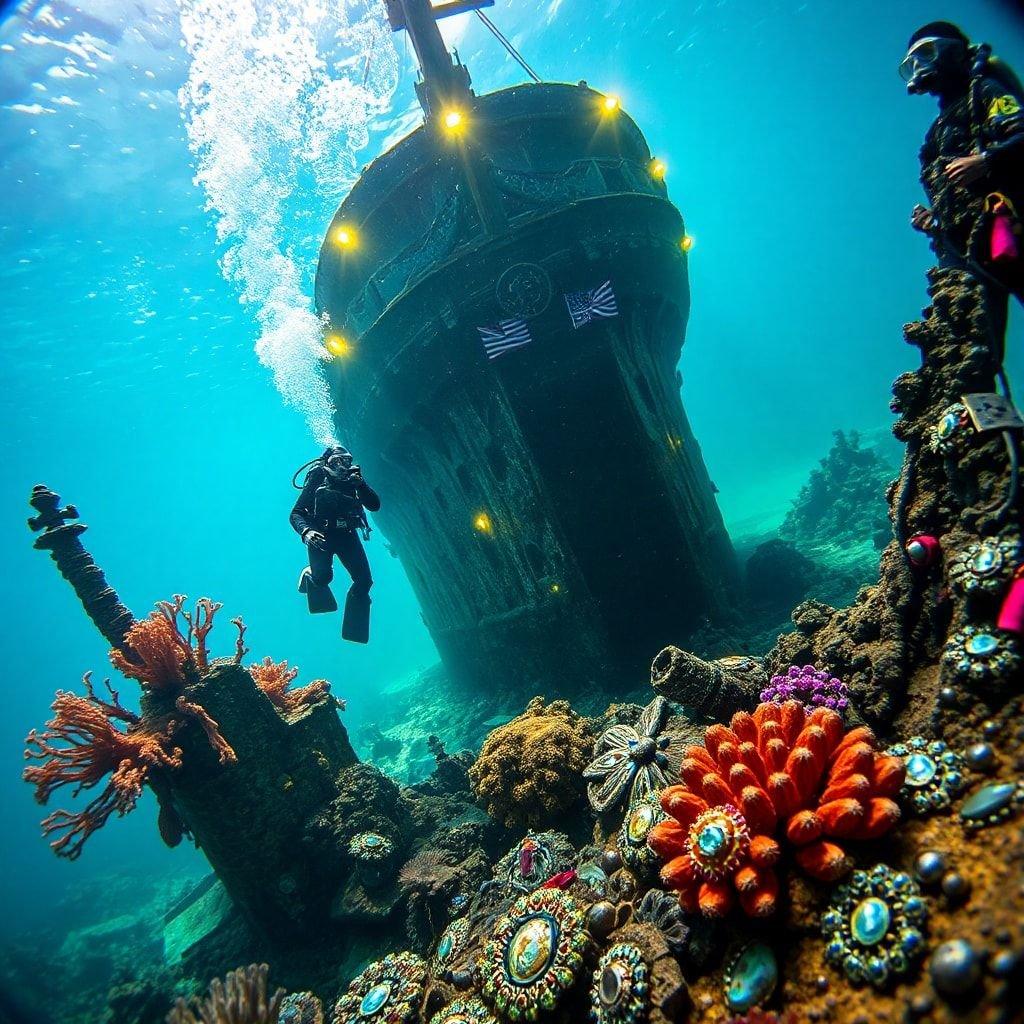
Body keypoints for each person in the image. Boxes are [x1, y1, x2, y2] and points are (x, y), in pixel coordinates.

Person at [902, 21, 1024, 359]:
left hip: (1005, 227)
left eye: (925, 54)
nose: (918, 68)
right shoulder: (935, 134)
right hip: (961, 246)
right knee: (968, 343)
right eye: (910, 63)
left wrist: (987, 160)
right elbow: (945, 186)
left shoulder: (985, 92)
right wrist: (933, 219)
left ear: (952, 51)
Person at [290, 446, 381, 644]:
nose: (342, 466)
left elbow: (374, 506)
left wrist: (362, 485)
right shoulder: (318, 477)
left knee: (364, 581)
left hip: (347, 535)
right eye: (336, 462)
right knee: (323, 578)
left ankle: (353, 632)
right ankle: (310, 575)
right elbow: (296, 513)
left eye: (346, 460)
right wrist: (307, 532)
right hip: (320, 536)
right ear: (327, 463)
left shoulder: (353, 480)